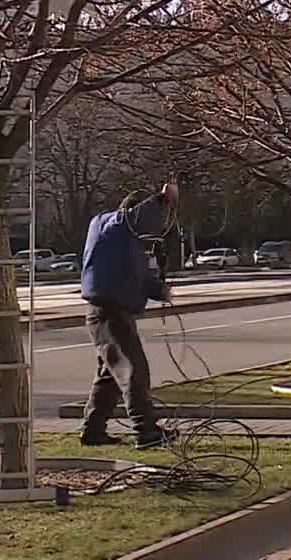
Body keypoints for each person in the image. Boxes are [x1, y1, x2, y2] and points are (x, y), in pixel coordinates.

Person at [78, 182, 178, 449]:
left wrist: (159, 290)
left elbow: (136, 276)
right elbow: (137, 216)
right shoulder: (111, 224)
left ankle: (93, 430)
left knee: (109, 376)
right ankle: (146, 432)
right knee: (134, 370)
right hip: (109, 313)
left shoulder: (124, 240)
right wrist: (163, 198)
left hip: (111, 311)